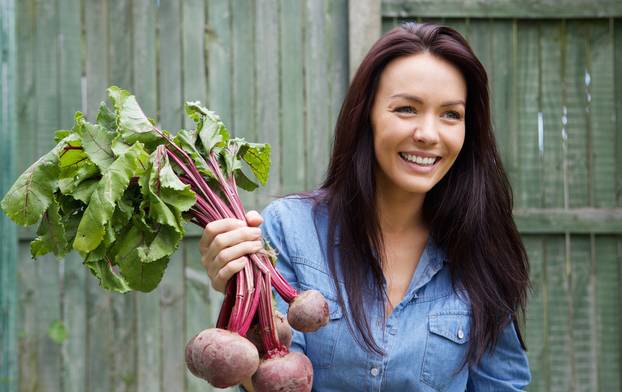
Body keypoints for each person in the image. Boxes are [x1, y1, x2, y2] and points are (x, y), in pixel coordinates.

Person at [200, 22, 531, 391]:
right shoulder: (289, 230)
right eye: (406, 109)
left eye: (450, 114)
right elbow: (270, 378)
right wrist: (241, 294)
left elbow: (502, 384)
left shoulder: (482, 248)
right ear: (367, 116)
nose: (428, 133)